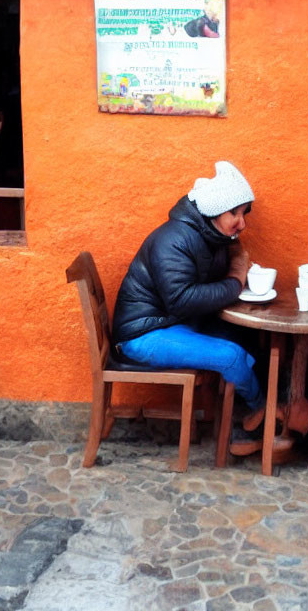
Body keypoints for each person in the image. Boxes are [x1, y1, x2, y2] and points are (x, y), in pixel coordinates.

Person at [112, 161, 265, 431]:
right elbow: (182, 299)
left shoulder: (212, 235)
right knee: (230, 355)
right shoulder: (174, 239)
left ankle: (243, 411)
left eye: (245, 214)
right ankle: (262, 411)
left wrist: (234, 254)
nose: (242, 224)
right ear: (214, 212)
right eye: (235, 214)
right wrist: (237, 279)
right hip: (142, 335)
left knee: (242, 338)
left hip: (170, 323)